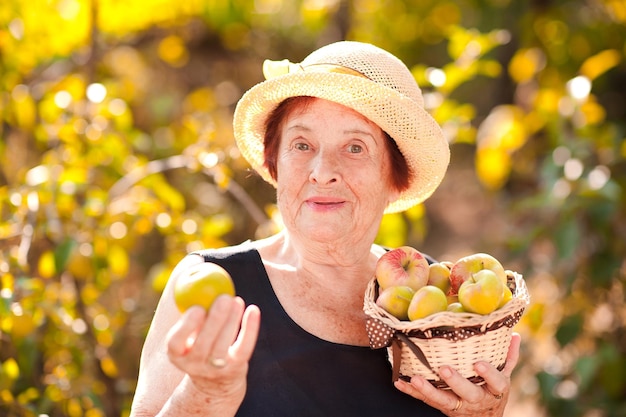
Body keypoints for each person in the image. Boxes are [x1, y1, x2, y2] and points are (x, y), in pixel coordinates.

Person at [129, 41, 521, 417]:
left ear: (395, 178)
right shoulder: (217, 284)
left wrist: (484, 414)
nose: (323, 173)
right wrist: (203, 398)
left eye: (355, 148)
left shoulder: (437, 303)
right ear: (275, 163)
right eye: (302, 145)